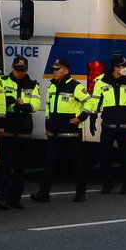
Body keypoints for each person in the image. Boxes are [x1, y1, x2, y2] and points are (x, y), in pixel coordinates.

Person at [33, 57, 93, 202]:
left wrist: (81, 118)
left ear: (66, 70)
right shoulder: (52, 86)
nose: (54, 72)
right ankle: (44, 193)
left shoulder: (76, 86)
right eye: (54, 69)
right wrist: (47, 127)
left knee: (75, 164)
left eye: (57, 69)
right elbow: (48, 108)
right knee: (49, 164)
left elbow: (90, 102)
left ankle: (81, 191)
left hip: (71, 133)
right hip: (54, 132)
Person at [0, 55, 42, 207]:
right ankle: (3, 198)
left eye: (22, 70)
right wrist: (13, 103)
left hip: (23, 127)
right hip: (7, 126)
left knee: (20, 167)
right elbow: (0, 100)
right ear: (12, 68)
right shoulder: (3, 80)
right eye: (17, 70)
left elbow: (35, 103)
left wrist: (25, 106)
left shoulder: (33, 84)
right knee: (4, 166)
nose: (20, 73)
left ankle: (15, 199)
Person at [88, 54, 126, 196]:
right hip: (108, 124)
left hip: (125, 124)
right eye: (123, 66)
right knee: (105, 155)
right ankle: (108, 183)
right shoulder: (101, 82)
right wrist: (93, 117)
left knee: (125, 156)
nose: (125, 69)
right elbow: (95, 100)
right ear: (115, 68)